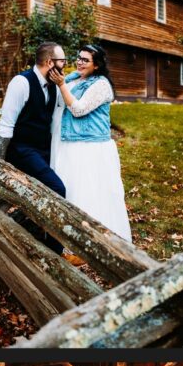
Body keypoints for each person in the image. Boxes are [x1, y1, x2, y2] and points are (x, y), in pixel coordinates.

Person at [47, 43, 132, 242]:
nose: (79, 61)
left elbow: (78, 109)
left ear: (97, 65)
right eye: (78, 57)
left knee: (88, 192)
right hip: (68, 142)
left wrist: (61, 85)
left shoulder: (101, 85)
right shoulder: (75, 78)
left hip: (88, 147)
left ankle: (90, 238)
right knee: (69, 188)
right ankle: (67, 235)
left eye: (85, 59)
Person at [0, 41, 67, 254]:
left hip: (44, 149)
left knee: (64, 181)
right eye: (62, 61)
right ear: (49, 62)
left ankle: (38, 229)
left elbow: (54, 121)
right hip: (23, 150)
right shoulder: (21, 82)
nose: (64, 65)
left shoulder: (54, 84)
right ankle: (55, 250)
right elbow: (6, 125)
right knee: (57, 188)